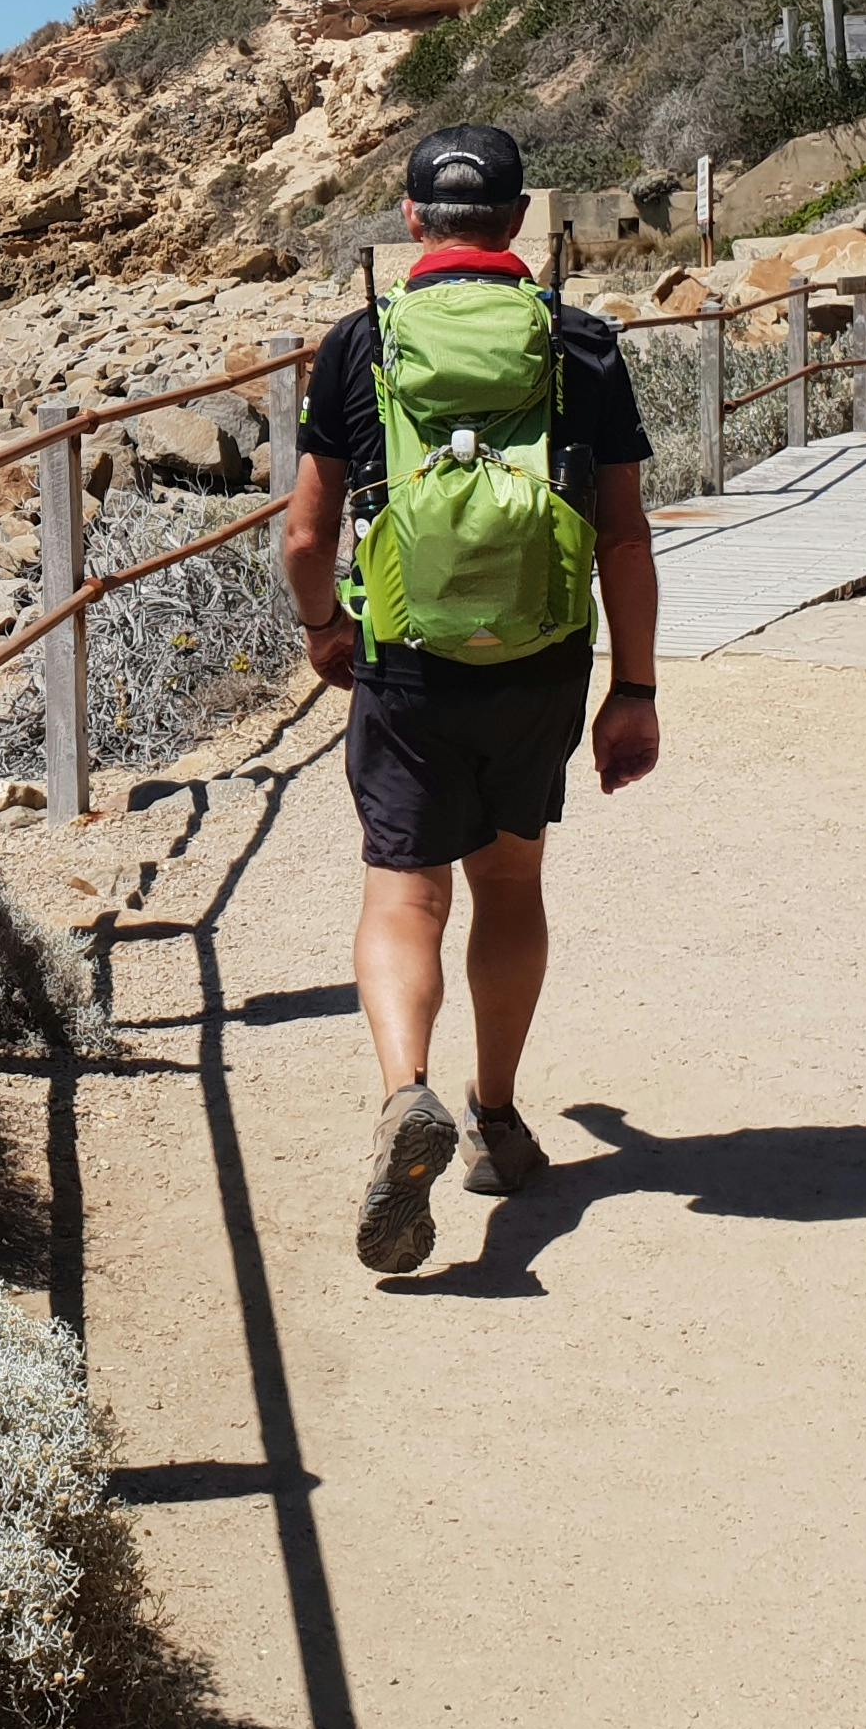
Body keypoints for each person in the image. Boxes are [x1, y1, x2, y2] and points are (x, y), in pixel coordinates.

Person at [279, 122, 662, 1273]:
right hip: (541, 665)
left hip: (404, 662)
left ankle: (407, 1092)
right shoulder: (580, 344)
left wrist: (324, 630)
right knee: (510, 882)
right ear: (520, 220)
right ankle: (496, 1119)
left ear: (410, 224)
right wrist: (632, 690)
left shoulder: (362, 343)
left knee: (406, 897)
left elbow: (305, 537)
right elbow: (624, 536)